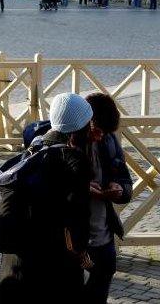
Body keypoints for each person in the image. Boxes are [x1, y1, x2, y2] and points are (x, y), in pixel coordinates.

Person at [0, 93, 94, 303]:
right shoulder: (74, 159)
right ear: (80, 126)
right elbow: (79, 217)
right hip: (51, 264)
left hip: (15, 263)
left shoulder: (35, 146)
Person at [84, 93, 133, 303]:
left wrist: (120, 189)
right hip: (75, 243)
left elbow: (124, 178)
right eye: (96, 131)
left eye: (105, 132)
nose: (100, 136)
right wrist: (81, 188)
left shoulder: (110, 141)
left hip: (104, 238)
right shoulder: (64, 145)